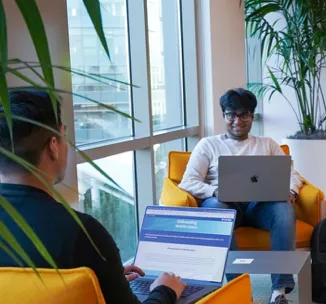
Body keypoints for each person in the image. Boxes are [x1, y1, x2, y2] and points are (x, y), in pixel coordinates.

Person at [0, 89, 185, 304]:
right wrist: (165, 291)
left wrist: (107, 277)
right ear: (53, 146)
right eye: (64, 135)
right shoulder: (83, 234)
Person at [178, 88, 303, 304]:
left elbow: (293, 175)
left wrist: (291, 191)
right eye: (231, 114)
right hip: (224, 204)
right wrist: (215, 191)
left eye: (244, 114)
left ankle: (279, 290)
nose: (237, 120)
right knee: (216, 209)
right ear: (224, 116)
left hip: (260, 206)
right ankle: (241, 289)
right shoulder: (208, 145)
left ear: (252, 116)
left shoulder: (268, 144)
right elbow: (188, 181)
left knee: (283, 210)